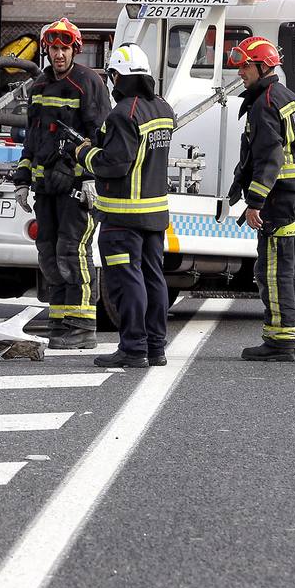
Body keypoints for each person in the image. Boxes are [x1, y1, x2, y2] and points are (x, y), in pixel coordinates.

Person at [69, 43, 175, 369]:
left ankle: (132, 348)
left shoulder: (123, 113)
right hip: (155, 214)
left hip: (123, 216)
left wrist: (83, 153)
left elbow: (114, 165)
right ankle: (155, 348)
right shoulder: (162, 108)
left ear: (117, 75)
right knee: (153, 278)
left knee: (126, 282)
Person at [12, 18, 110, 350]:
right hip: (45, 190)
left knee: (73, 251)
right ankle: (60, 321)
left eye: (64, 48)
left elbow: (99, 137)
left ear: (74, 50)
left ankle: (83, 327)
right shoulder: (39, 87)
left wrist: (90, 179)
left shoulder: (88, 83)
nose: (58, 54)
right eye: (53, 48)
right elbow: (32, 139)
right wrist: (22, 180)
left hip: (75, 189)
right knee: (49, 254)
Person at [226, 36, 295, 362]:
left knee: (274, 270)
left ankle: (279, 342)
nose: (240, 72)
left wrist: (255, 202)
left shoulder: (265, 103)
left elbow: (269, 157)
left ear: (263, 66)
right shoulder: (291, 98)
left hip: (280, 199)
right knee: (292, 270)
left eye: (245, 65)